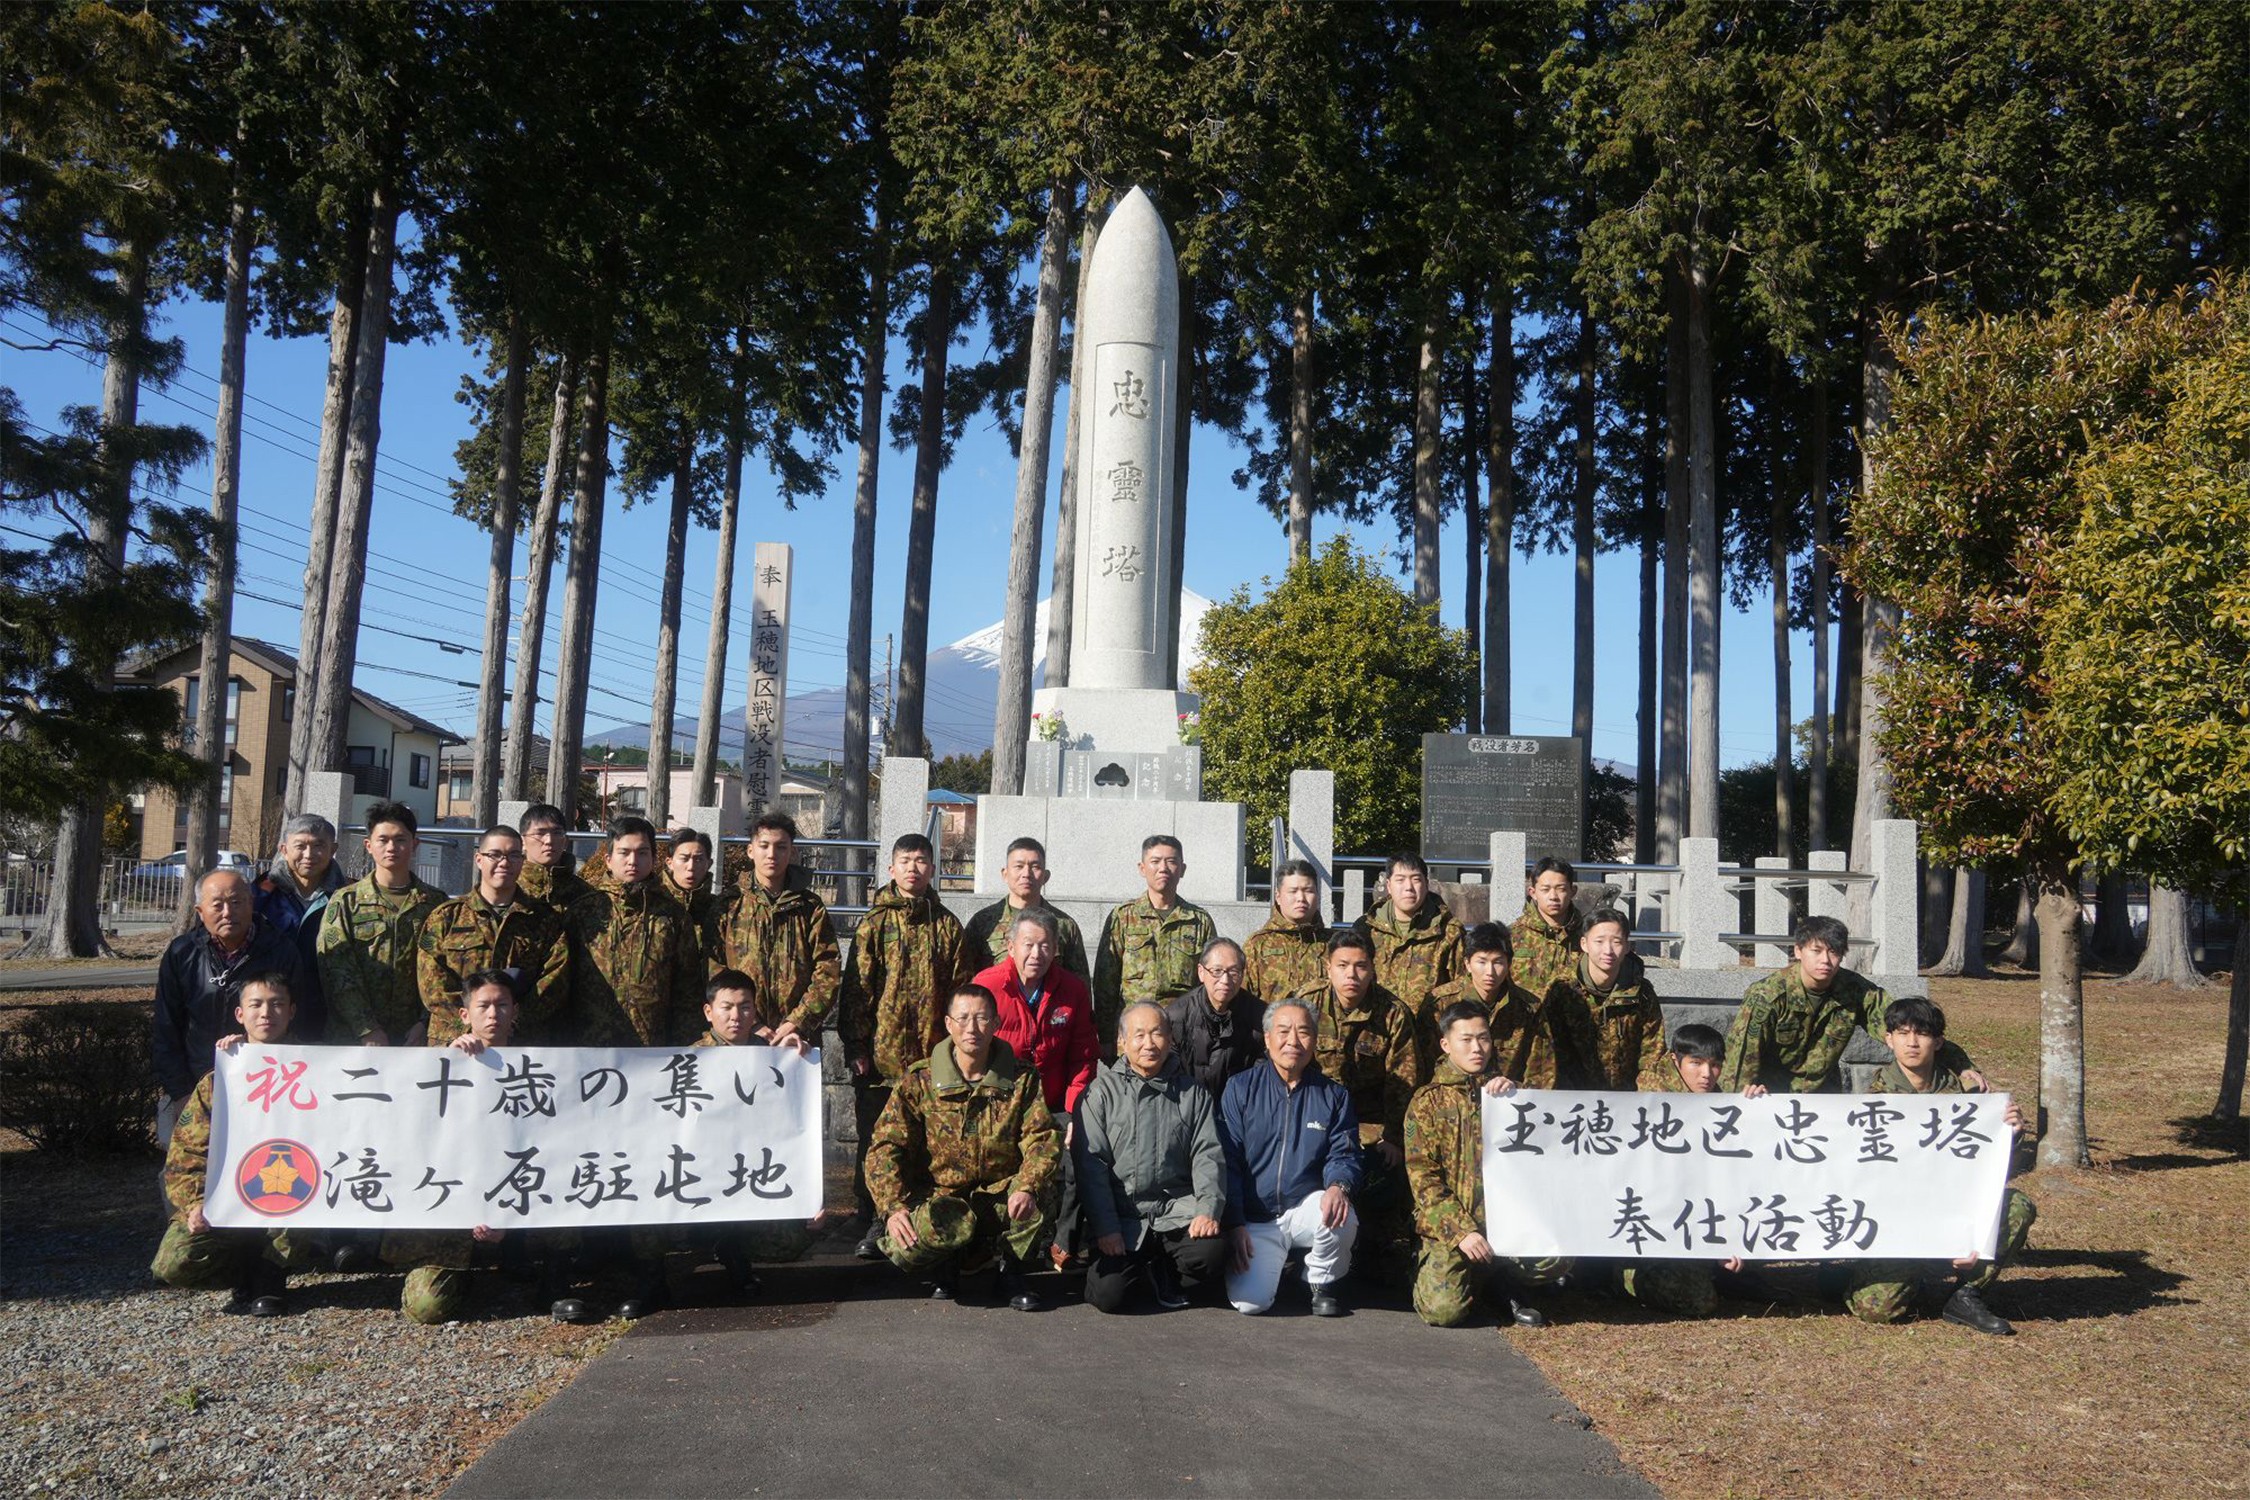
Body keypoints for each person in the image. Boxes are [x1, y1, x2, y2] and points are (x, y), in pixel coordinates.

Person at [379, 970, 581, 1323]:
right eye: (483, 1006)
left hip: (521, 1189)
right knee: (428, 1308)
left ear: (515, 1010)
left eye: (502, 1005)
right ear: (464, 1014)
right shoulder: (440, 1066)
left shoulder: (543, 1066)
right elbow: (421, 1145)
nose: (493, 1014)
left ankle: (556, 1280)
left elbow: (557, 1144)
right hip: (452, 1203)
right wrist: (450, 1060)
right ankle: (461, 1275)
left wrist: (507, 1212)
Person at [865, 983, 1061, 1311]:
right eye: (964, 1018)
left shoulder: (1021, 1078)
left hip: (1000, 1195)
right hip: (939, 1197)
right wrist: (892, 1207)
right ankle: (946, 1263)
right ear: (948, 1024)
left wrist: (1026, 1187)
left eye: (982, 1019)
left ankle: (1010, 1272)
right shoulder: (920, 1081)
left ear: (996, 1024)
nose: (972, 1028)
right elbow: (884, 1146)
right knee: (906, 1248)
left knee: (1041, 1196)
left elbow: (1043, 1138)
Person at [1845, 997, 2033, 1336]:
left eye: (1922, 1034)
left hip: (1953, 1205)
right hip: (1896, 1217)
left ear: (1939, 1041)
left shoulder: (1966, 1093)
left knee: (2017, 1205)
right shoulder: (1870, 1097)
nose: (1912, 1043)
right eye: (1902, 1033)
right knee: (1880, 1310)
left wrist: (2012, 1133)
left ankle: (1967, 1294)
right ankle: (1848, 1278)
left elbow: (1992, 1167)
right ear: (1888, 1039)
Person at [842, 832, 979, 1257]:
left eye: (921, 861)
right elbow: (857, 991)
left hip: (933, 1059)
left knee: (926, 1142)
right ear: (891, 869)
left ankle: (917, 1220)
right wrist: (857, 1047)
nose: (913, 868)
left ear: (932, 869)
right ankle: (873, 1217)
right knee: (876, 1140)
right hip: (882, 1061)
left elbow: (961, 993)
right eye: (905, 860)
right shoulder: (874, 923)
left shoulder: (947, 926)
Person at [151, 972, 314, 1315]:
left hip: (297, 1202)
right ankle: (245, 1268)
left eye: (277, 1004)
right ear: (240, 1014)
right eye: (255, 1004)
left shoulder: (320, 1072)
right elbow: (185, 1156)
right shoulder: (220, 1081)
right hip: (232, 1202)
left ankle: (272, 1272)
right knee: (173, 1263)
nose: (265, 1013)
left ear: (292, 1011)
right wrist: (194, 1205)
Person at [1405, 1002, 1559, 1328]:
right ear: (1446, 1045)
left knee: (1559, 1256)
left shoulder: (1508, 1094)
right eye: (1466, 1040)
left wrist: (1520, 1100)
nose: (1477, 1048)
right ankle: (1438, 1273)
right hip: (1452, 1230)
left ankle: (1496, 1278)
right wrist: (1461, 1231)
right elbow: (1423, 1178)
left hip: (1504, 1223)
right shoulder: (1429, 1101)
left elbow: (1537, 1156)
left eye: (1484, 1038)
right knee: (1444, 1311)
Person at [677, 969, 821, 1299]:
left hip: (751, 1172)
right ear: (708, 1011)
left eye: (745, 1007)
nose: (736, 1016)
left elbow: (798, 1129)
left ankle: (731, 1246)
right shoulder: (688, 1059)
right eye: (726, 1007)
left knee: (789, 1241)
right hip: (702, 1176)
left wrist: (814, 1192)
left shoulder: (774, 1057)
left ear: (755, 1011)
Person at [1076, 1001, 1227, 1313]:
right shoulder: (1100, 1094)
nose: (1149, 1044)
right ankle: (1135, 1268)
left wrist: (1208, 1209)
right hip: (1124, 1218)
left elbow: (1207, 1154)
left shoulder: (1192, 1093)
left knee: (1212, 1254)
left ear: (1170, 1040)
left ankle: (1163, 1269)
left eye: (1157, 1034)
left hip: (1174, 1211)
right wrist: (1106, 1228)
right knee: (1109, 1296)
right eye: (1139, 1035)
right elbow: (1092, 1167)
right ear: (1122, 1042)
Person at [1218, 998, 1362, 1316]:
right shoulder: (1240, 1089)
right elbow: (1227, 1161)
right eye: (1283, 1031)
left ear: (1315, 1040)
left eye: (1303, 1032)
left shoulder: (1334, 1096)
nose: (1293, 1041)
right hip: (1255, 1219)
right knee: (1251, 1304)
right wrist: (1235, 1223)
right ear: (1268, 1038)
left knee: (1342, 1213)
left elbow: (1344, 1153)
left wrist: (1339, 1185)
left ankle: (1319, 1280)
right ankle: (1277, 1265)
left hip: (1303, 1208)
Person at [1722, 915, 1979, 1093]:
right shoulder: (1767, 996)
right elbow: (1741, 1059)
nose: (1826, 960)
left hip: (1825, 1097)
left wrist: (1963, 1066)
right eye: (1816, 950)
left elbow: (1906, 1026)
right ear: (1798, 951)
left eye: (1834, 952)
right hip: (1771, 1095)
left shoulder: (1855, 990)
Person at [974, 909, 1098, 1267]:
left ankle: (1064, 1241)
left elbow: (1083, 1058)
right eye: (1028, 945)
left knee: (1082, 1155)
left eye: (1045, 946)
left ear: (1056, 949)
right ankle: (989, 1243)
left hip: (1055, 1103)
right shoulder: (987, 984)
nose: (1036, 954)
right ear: (1010, 946)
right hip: (999, 1104)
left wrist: (1075, 1111)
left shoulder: (1072, 989)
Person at [151, 868, 306, 1147]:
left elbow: (298, 1021)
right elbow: (166, 1027)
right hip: (196, 1084)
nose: (228, 912)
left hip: (265, 1088)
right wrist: (181, 1092)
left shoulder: (281, 951)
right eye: (217, 904)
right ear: (200, 911)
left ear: (251, 903)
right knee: (189, 1174)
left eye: (236, 902)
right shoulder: (182, 953)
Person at [1611, 1024, 1747, 1317]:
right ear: (1675, 1061)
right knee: (1699, 1302)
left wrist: (1755, 1107)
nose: (1706, 1075)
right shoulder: (1651, 1098)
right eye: (1695, 1064)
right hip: (1653, 1225)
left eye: (1714, 1066)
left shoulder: (1716, 1101)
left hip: (1693, 1221)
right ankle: (1627, 1275)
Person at [417, 824, 571, 1046]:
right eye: (495, 855)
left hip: (522, 1040)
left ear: (522, 860)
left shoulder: (544, 919)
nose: (504, 863)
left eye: (513, 855)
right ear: (479, 859)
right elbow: (432, 983)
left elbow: (555, 979)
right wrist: (472, 1026)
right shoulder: (446, 917)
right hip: (457, 1041)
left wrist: (510, 1021)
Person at [565, 816, 704, 1046]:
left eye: (642, 853)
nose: (633, 861)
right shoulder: (583, 911)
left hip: (651, 1050)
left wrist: (684, 1047)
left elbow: (686, 991)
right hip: (588, 1046)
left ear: (654, 859)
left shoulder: (672, 916)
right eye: (624, 853)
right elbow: (564, 985)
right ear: (608, 859)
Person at [317, 800, 446, 1046]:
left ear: (414, 844)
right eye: (383, 840)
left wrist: (425, 1022)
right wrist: (366, 1028)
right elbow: (336, 968)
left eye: (400, 840)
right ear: (368, 845)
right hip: (354, 1039)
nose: (392, 847)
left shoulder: (435, 903)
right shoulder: (346, 901)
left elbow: (444, 969)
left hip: (416, 1038)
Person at [724, 812, 844, 1050]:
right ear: (750, 851)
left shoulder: (810, 907)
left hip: (797, 1039)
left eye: (781, 847)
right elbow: (714, 968)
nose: (771, 854)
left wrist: (798, 1020)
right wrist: (750, 1021)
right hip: (739, 1034)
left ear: (792, 852)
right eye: (764, 846)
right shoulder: (728, 905)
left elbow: (828, 969)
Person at [1422, 921, 1594, 1086]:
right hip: (1451, 1106)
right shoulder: (1441, 1002)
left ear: (1509, 964)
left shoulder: (1528, 1007)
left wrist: (1516, 1089)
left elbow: (1542, 1071)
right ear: (1467, 963)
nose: (1489, 972)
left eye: (1497, 962)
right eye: (1481, 962)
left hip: (1509, 1105)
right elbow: (1425, 1066)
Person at [1093, 835, 1216, 1051]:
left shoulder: (1199, 921)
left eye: (1171, 861)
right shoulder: (1123, 917)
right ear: (1142, 868)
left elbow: (1209, 983)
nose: (1163, 868)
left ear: (1182, 869)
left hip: (1181, 1034)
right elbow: (1106, 983)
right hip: (1134, 1035)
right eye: (1155, 861)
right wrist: (1105, 1038)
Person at [1544, 907, 1665, 1091]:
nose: (1608, 950)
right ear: (1584, 944)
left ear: (1627, 946)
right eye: (1599, 941)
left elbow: (1652, 1054)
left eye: (1616, 942)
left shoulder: (1641, 993)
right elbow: (1548, 1052)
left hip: (1625, 1102)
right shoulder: (1563, 990)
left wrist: (1646, 1096)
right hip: (1572, 1102)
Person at [251, 812, 346, 1038]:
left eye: (318, 846)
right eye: (300, 846)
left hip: (332, 1012)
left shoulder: (349, 896)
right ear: (284, 850)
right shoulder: (259, 895)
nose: (309, 854)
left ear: (333, 849)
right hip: (272, 1013)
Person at [1353, 853, 1464, 1040]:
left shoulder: (1448, 932)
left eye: (1416, 879)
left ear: (1426, 884)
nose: (1409, 888)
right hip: (1377, 1036)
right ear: (1388, 885)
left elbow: (1462, 987)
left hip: (1430, 1038)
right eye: (1400, 880)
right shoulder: (1366, 928)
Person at [963, 836, 1089, 977]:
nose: (1026, 874)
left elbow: (1079, 985)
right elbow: (966, 979)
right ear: (1005, 874)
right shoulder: (982, 922)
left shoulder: (1064, 925)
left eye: (1035, 867)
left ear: (1046, 876)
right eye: (1019, 866)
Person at [1164, 939, 1265, 1095]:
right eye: (1217, 971)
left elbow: (1263, 1070)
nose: (1225, 980)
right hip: (1189, 1105)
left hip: (1240, 1104)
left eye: (1233, 972)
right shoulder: (1176, 1016)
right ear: (1201, 972)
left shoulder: (1259, 1015)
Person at [1243, 859, 1327, 1004]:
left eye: (1308, 891)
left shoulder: (1334, 944)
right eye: (1293, 891)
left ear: (1318, 895)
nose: (1301, 898)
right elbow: (1242, 1001)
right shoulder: (1257, 945)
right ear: (1278, 896)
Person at [1509, 857, 1582, 999]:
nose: (1553, 896)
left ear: (1573, 891)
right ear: (1533, 892)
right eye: (1545, 889)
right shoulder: (1512, 936)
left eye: (1561, 889)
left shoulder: (1587, 937)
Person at [661, 827, 725, 979]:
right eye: (684, 858)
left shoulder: (720, 909)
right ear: (669, 862)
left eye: (698, 859)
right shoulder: (653, 905)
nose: (691, 867)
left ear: (709, 863)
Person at [516, 802, 586, 907]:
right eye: (539, 833)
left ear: (565, 841)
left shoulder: (584, 894)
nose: (549, 840)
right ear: (522, 842)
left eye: (557, 833)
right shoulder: (510, 889)